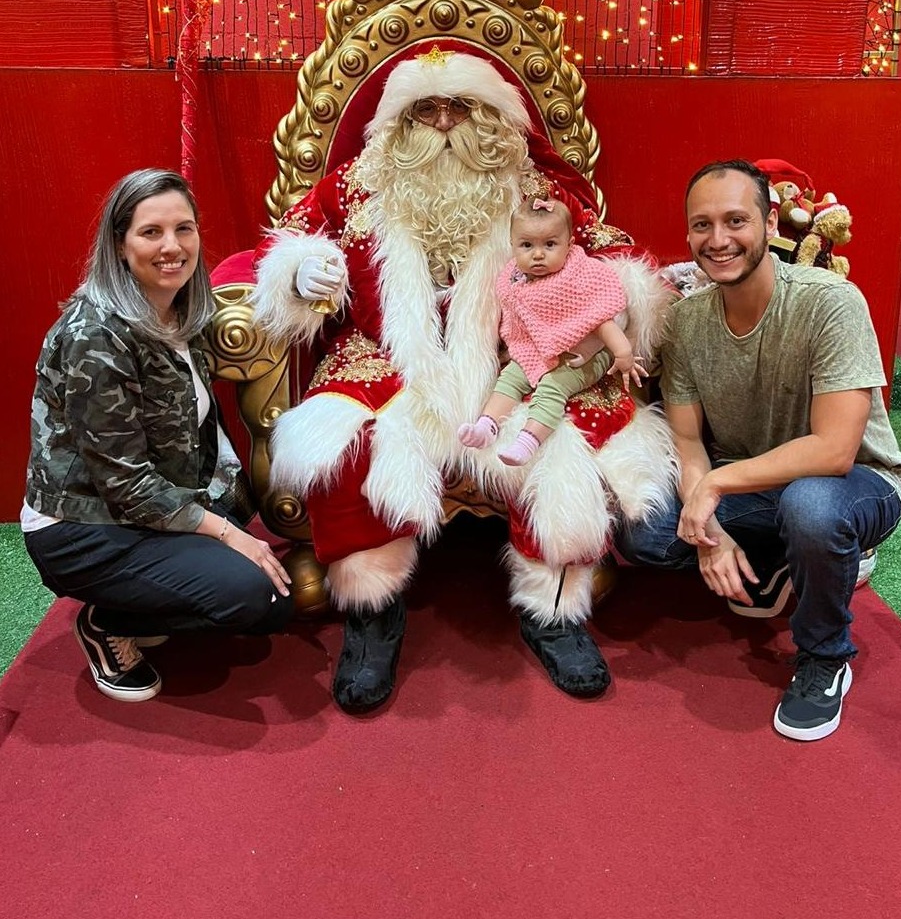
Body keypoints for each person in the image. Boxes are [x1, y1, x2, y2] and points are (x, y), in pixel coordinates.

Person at [250, 46, 677, 712]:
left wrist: (610, 301)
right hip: (387, 357)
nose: (446, 122)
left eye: (462, 107)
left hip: (515, 356)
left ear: (492, 117)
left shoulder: (534, 187)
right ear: (401, 121)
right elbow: (287, 242)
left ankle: (553, 607)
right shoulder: (355, 185)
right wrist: (301, 270)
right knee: (342, 436)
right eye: (427, 109)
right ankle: (373, 608)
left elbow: (611, 250)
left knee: (559, 440)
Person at [612, 158, 901, 742]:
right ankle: (782, 558)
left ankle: (825, 656)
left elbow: (834, 450)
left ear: (770, 222)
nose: (718, 240)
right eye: (702, 225)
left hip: (856, 482)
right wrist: (709, 529)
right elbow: (687, 442)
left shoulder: (830, 303)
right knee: (643, 531)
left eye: (735, 220)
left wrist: (714, 487)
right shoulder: (686, 324)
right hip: (751, 485)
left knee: (812, 507)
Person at [21, 168, 294, 704]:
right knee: (257, 596)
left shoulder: (179, 309)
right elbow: (125, 485)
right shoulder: (96, 336)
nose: (172, 247)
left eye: (183, 229)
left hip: (149, 505)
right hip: (83, 526)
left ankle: (147, 595)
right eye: (151, 232)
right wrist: (227, 533)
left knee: (259, 548)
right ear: (119, 245)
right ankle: (107, 621)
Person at [459, 196, 648, 466]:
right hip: (537, 349)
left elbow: (602, 319)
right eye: (527, 245)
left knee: (552, 386)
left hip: (588, 354)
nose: (538, 254)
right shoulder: (513, 279)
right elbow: (516, 322)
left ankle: (528, 440)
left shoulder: (581, 275)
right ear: (512, 245)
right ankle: (487, 425)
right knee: (510, 378)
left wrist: (623, 354)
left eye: (550, 244)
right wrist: (516, 349)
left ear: (569, 244)